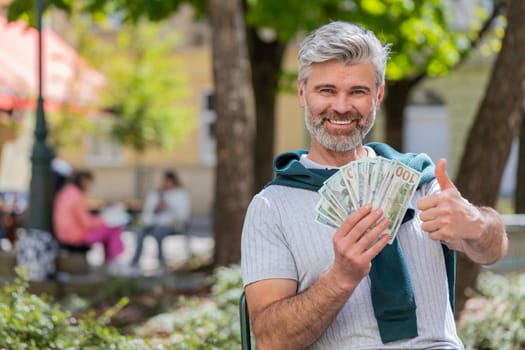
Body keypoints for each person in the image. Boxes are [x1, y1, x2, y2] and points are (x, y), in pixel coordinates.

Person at [240, 21, 508, 350]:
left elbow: (494, 250)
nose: (341, 106)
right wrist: (341, 278)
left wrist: (476, 225)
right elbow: (270, 341)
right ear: (302, 94)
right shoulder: (271, 207)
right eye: (326, 91)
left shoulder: (419, 180)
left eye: (358, 91)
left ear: (378, 96)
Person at [53, 169, 131, 276]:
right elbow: (86, 223)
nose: (90, 185)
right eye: (89, 182)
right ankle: (113, 262)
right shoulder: (76, 196)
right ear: (84, 181)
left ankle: (110, 261)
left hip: (64, 234)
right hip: (75, 237)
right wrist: (105, 219)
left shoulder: (66, 192)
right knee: (113, 228)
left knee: (109, 228)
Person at [130, 170, 191, 270]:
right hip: (152, 223)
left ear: (174, 181)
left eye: (169, 181)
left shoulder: (180, 195)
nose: (166, 184)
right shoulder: (156, 194)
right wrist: (155, 208)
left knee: (159, 231)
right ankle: (135, 260)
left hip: (172, 225)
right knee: (140, 232)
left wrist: (170, 206)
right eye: (165, 181)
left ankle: (160, 260)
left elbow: (183, 216)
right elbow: (147, 213)